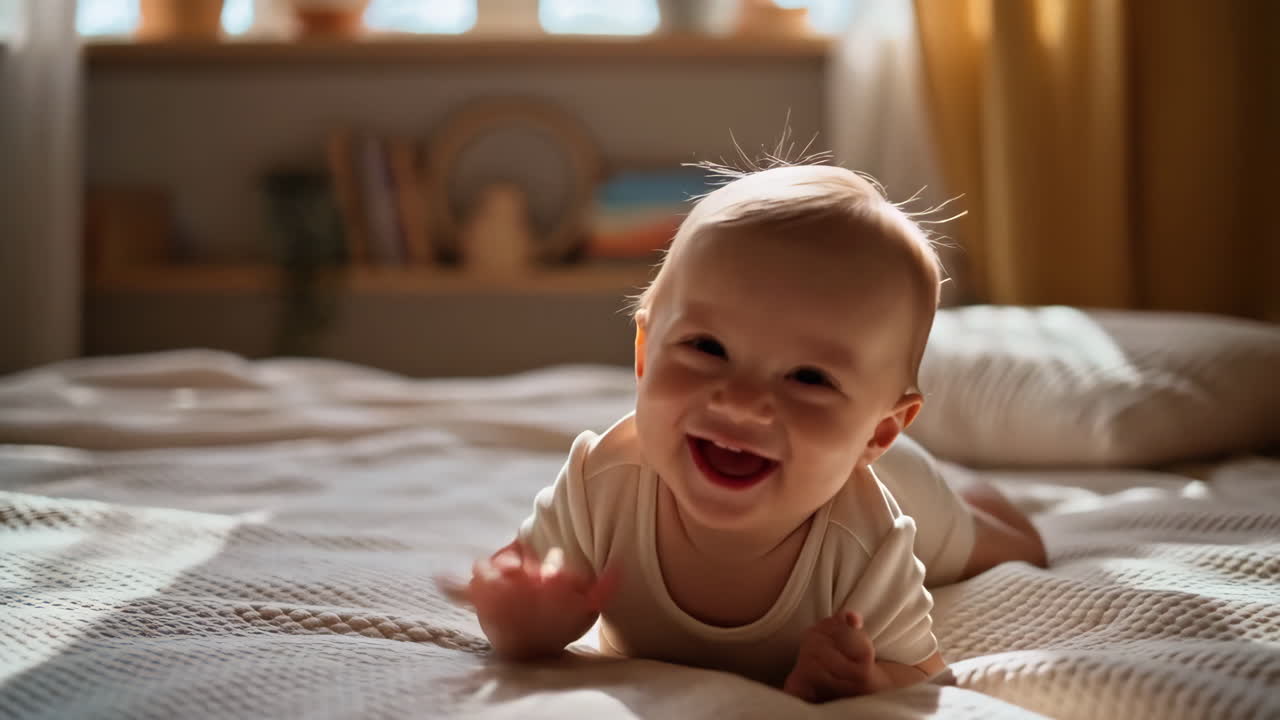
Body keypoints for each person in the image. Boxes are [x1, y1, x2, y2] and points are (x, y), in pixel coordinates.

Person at [445, 163, 1046, 703]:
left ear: (878, 431)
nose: (741, 402)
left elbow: (926, 674)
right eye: (708, 348)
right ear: (645, 353)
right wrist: (523, 615)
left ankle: (968, 488)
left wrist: (870, 678)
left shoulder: (870, 539)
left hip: (904, 486)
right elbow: (513, 603)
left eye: (809, 377)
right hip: (833, 460)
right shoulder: (600, 483)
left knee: (1010, 546)